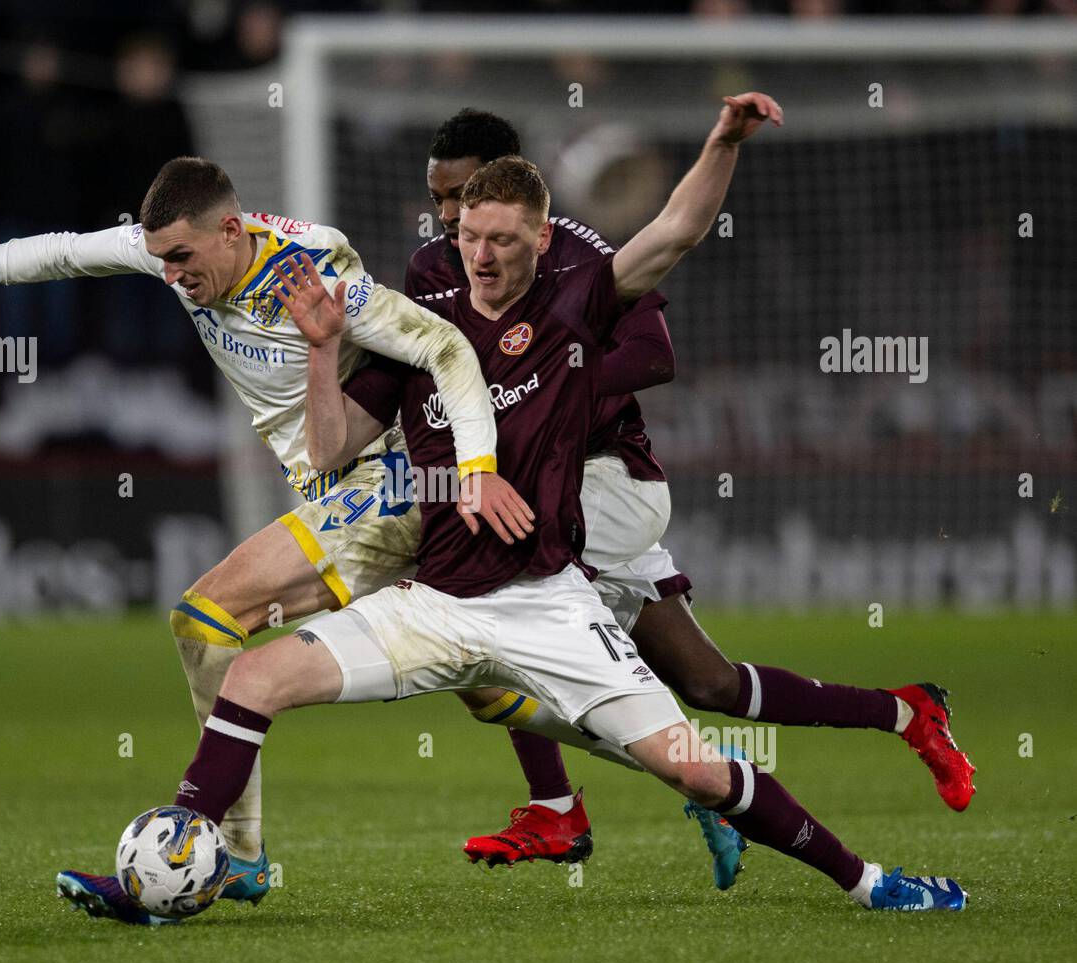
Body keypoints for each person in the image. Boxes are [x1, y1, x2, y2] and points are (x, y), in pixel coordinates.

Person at [68, 94, 966, 920]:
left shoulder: (577, 307)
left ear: (544, 241)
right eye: (468, 236)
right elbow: (335, 451)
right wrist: (321, 349)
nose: (482, 253)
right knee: (248, 677)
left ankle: (872, 882)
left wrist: (721, 143)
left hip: (547, 604)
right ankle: (183, 853)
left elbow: (674, 234)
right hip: (434, 606)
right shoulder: (417, 324)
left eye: (502, 238)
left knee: (697, 757)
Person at [0, 156, 531, 908]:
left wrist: (476, 466)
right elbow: (61, 250)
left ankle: (224, 852)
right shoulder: (173, 254)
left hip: (383, 484)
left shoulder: (315, 273)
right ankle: (657, 771)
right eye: (160, 259)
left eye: (183, 258)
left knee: (207, 614)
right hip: (335, 488)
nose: (172, 275)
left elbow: (446, 347)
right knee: (487, 673)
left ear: (232, 228)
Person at [410, 109, 977, 871]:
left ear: (516, 184)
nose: (448, 216)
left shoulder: (576, 258)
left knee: (498, 592)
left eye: (463, 193)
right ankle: (907, 710)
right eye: (439, 199)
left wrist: (542, 389)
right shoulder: (429, 272)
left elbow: (652, 354)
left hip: (607, 481)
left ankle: (560, 810)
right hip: (536, 486)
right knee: (709, 682)